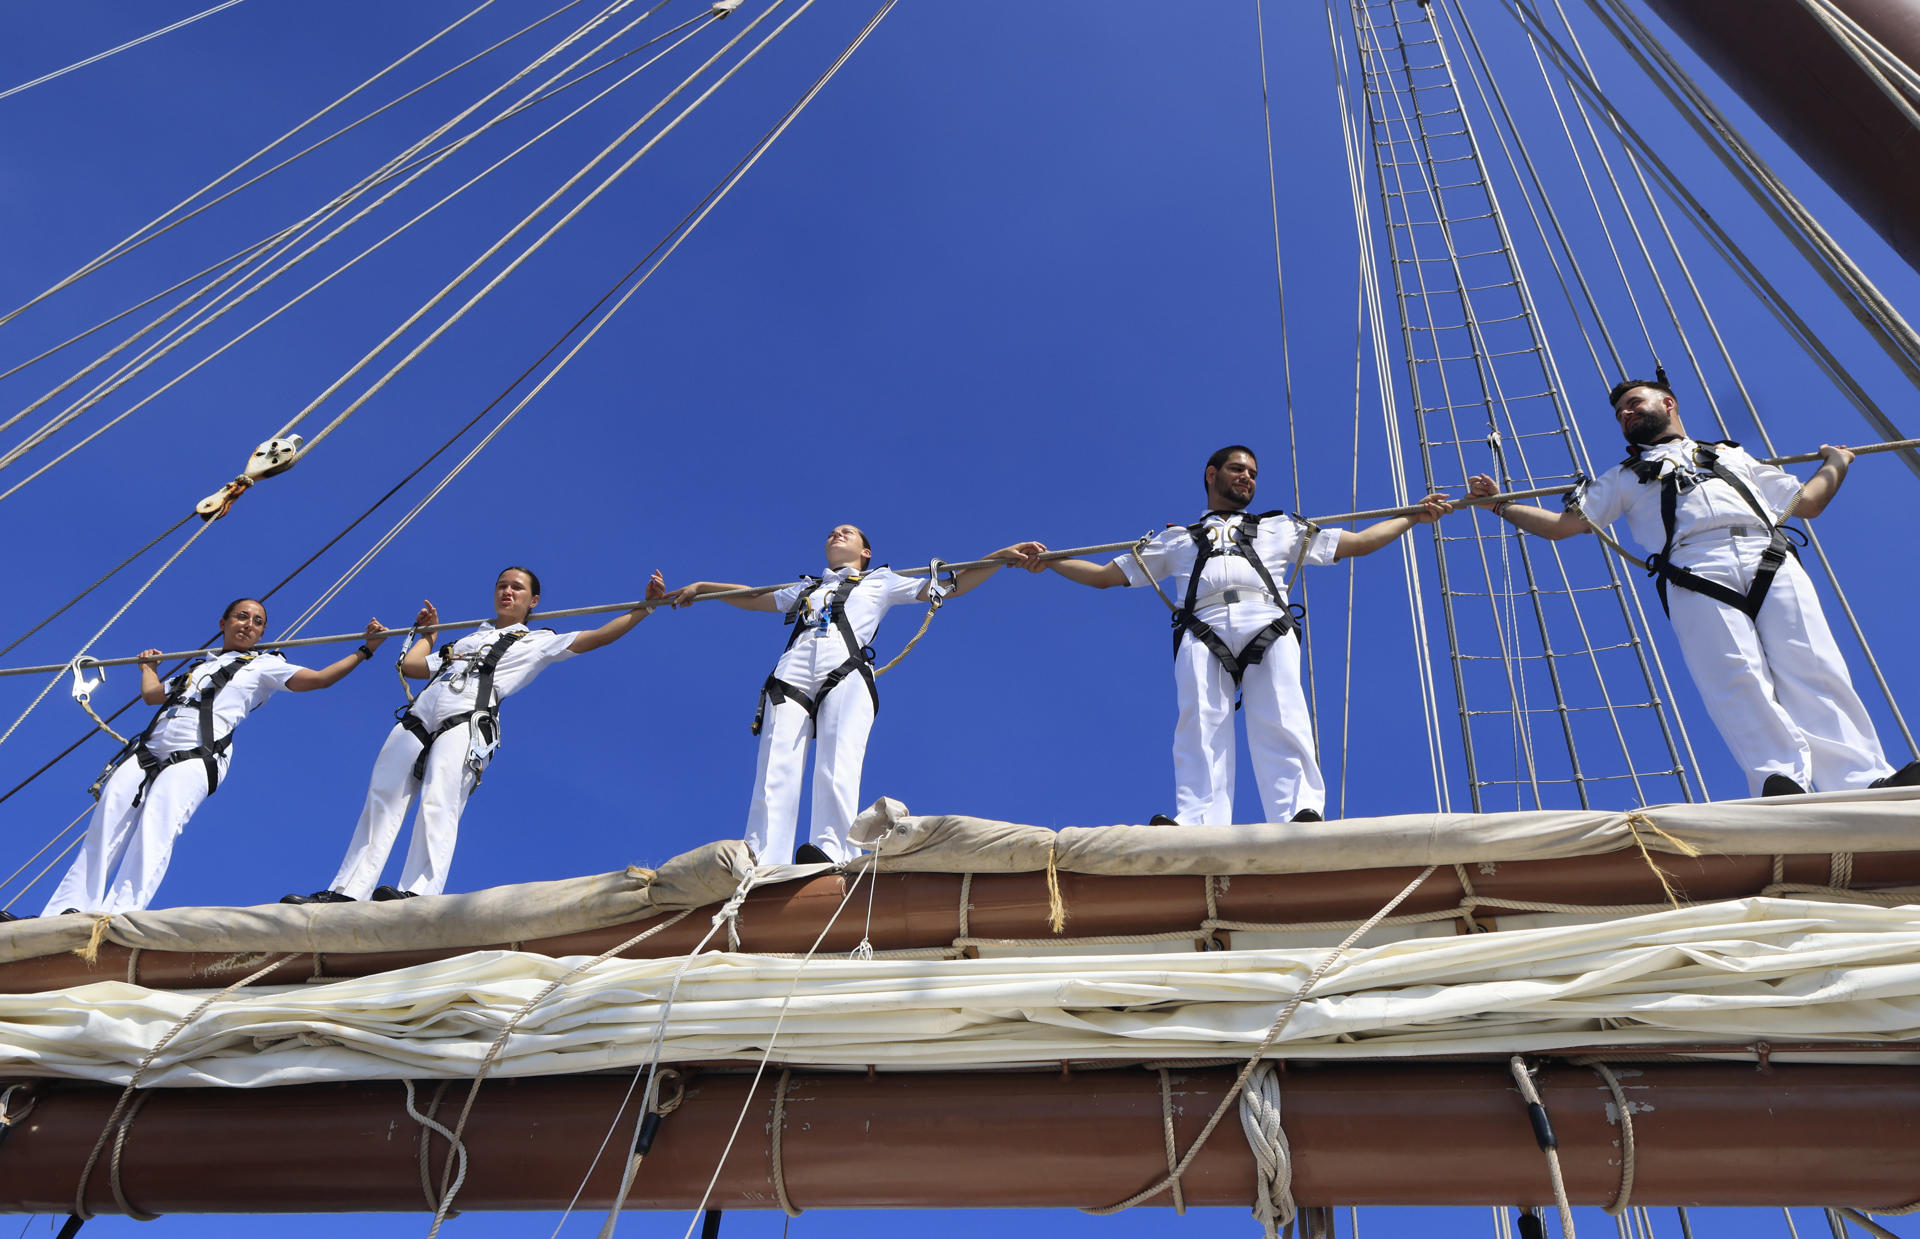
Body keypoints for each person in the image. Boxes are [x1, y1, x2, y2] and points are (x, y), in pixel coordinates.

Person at [1466, 378, 1918, 797]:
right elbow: (1563, 527)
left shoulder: (1733, 456)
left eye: (1633, 402)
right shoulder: (1622, 477)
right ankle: (1779, 782)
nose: (1626, 412)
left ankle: (1864, 780)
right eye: (1621, 410)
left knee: (1814, 665)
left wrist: (1836, 463)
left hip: (1769, 556)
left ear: (1668, 403)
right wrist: (1500, 505)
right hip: (1693, 568)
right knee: (1734, 675)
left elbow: (1809, 503)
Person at [1009, 445, 1452, 826]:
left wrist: (1411, 516)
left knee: (1282, 715)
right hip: (1203, 627)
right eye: (1238, 469)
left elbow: (1358, 543)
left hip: (1267, 619)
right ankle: (1198, 820)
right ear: (1211, 474)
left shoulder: (1281, 527)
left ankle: (1300, 812)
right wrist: (1051, 561)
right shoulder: (1175, 540)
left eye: (1253, 474)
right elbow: (1106, 576)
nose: (1247, 478)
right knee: (1199, 721)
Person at [285, 566, 667, 904]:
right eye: (502, 585)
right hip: (419, 717)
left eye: (517, 588)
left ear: (533, 600)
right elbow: (415, 667)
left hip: (467, 719)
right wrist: (429, 634)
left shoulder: (535, 641)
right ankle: (347, 890)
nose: (507, 592)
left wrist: (644, 608)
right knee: (382, 798)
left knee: (440, 800)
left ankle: (417, 893)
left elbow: (596, 636)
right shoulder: (466, 641)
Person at [10, 599, 390, 919]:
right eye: (242, 616)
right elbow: (154, 696)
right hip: (149, 750)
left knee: (157, 824)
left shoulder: (265, 666)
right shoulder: (197, 668)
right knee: (108, 817)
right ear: (224, 622)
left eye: (258, 622)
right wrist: (148, 670)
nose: (249, 625)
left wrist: (365, 650)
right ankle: (64, 912)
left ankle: (118, 915)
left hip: (199, 754)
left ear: (262, 634)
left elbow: (320, 679)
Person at [667, 526, 1021, 865]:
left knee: (837, 763)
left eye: (847, 532)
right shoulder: (807, 587)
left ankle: (832, 849)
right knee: (774, 762)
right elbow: (753, 595)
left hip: (846, 667)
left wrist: (996, 558)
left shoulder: (881, 580)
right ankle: (762, 855)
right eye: (832, 532)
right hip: (792, 671)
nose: (836, 534)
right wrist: (703, 587)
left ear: (865, 552)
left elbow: (948, 586)